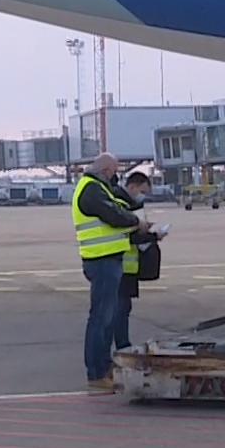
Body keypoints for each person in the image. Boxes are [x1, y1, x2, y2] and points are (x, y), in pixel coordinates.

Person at [73, 153, 145, 391]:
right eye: (114, 172)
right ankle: (97, 372)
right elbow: (113, 215)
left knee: (106, 317)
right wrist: (135, 221)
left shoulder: (97, 187)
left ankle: (103, 367)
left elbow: (117, 210)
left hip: (107, 259)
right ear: (105, 171)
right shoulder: (92, 188)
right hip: (102, 260)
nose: (115, 177)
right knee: (101, 319)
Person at [114, 171, 164, 352]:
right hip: (121, 264)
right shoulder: (121, 204)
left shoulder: (132, 204)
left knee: (123, 308)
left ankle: (122, 344)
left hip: (128, 265)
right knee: (119, 309)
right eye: (141, 191)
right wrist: (153, 236)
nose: (142, 196)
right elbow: (128, 235)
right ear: (131, 186)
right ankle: (122, 345)